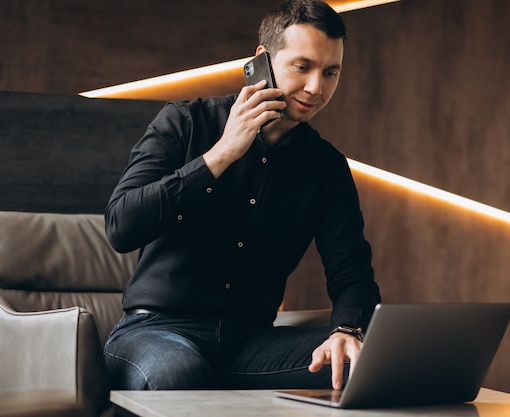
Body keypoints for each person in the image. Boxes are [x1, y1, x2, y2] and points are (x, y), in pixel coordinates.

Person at [103, 0, 381, 392]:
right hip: (155, 332)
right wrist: (220, 156)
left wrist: (347, 330)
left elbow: (352, 271)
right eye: (302, 67)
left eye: (330, 72)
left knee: (362, 365)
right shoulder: (184, 122)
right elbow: (121, 227)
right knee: (179, 375)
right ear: (261, 61)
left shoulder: (326, 167)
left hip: (251, 342)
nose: (316, 88)